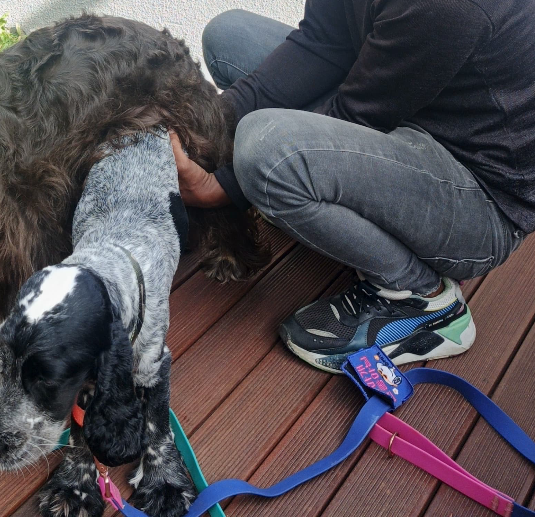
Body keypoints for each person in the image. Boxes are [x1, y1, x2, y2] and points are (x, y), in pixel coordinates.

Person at [171, 0, 534, 373]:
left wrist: (223, 186)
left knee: (266, 151)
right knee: (230, 37)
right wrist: (202, 131)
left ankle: (419, 295)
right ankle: (298, 191)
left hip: (479, 198)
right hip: (406, 105)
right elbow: (321, 43)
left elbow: (357, 115)